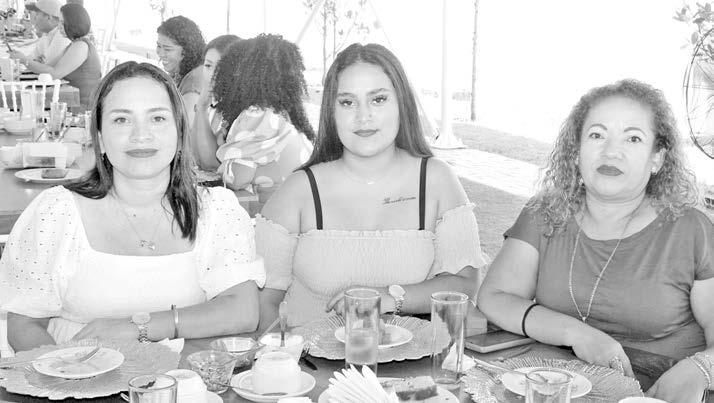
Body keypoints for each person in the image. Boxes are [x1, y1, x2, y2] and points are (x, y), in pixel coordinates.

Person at [0, 62, 265, 352]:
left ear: (179, 133)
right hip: (76, 372)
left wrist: (138, 327)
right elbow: (24, 324)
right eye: (121, 120)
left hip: (183, 376)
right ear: (100, 139)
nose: (141, 135)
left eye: (157, 118)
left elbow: (243, 310)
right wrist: (67, 370)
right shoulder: (56, 213)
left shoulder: (215, 211)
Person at [477, 79, 713, 402]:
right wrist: (575, 333)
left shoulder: (691, 230)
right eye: (597, 135)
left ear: (657, 158)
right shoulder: (545, 213)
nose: (611, 151)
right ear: (576, 152)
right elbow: (494, 297)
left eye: (633, 138)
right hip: (559, 389)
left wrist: (699, 369)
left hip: (656, 394)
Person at [256, 43, 488, 328]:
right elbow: (263, 302)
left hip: (411, 354)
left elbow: (465, 284)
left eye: (378, 99)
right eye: (347, 102)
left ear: (402, 104)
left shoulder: (437, 179)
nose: (363, 116)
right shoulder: (299, 191)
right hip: (307, 354)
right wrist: (285, 352)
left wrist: (389, 298)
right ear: (331, 112)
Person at [193, 34, 315, 207]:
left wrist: (226, 157)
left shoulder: (257, 116)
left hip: (280, 213)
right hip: (301, 208)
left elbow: (236, 179)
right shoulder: (281, 114)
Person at [12, 3, 100, 109]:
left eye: (62, 23)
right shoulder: (74, 45)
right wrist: (34, 63)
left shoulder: (81, 46)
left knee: (24, 104)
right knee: (27, 103)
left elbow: (53, 74)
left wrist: (24, 60)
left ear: (73, 24)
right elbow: (49, 67)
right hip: (69, 99)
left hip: (81, 107)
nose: (58, 26)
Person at [190, 34, 241, 154]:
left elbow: (210, 161)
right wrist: (201, 107)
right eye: (208, 65)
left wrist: (201, 108)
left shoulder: (245, 113)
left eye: (221, 67)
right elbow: (193, 150)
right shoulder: (210, 103)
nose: (213, 74)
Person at [156, 15, 205, 125]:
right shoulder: (186, 71)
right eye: (159, 46)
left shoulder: (194, 81)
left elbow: (184, 127)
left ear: (187, 51)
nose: (161, 53)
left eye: (167, 49)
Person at [14, 0, 70, 66]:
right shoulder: (47, 33)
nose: (34, 18)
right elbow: (33, 56)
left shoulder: (62, 35)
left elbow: (47, 65)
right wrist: (32, 61)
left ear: (49, 17)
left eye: (37, 14)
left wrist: (24, 60)